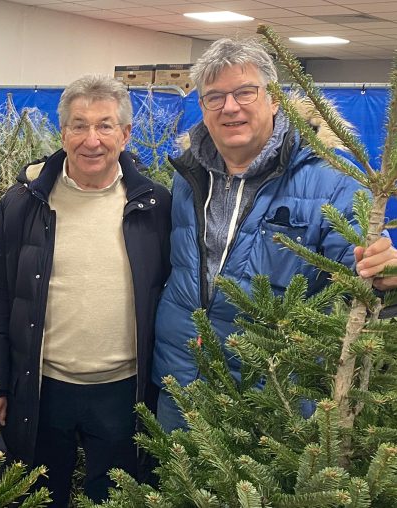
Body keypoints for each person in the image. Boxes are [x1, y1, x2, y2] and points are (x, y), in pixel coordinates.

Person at [152, 37, 397, 432]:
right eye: (214, 97)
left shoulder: (333, 183)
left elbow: (364, 287)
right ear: (202, 107)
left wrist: (385, 276)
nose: (229, 107)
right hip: (181, 384)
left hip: (277, 397)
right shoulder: (186, 177)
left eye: (244, 92)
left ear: (274, 99)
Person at [0, 74, 171, 506]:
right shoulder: (23, 203)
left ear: (125, 134)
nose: (91, 139)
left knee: (116, 498)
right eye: (79, 125)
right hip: (42, 387)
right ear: (62, 133)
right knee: (39, 497)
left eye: (104, 125)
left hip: (124, 389)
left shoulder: (155, 206)